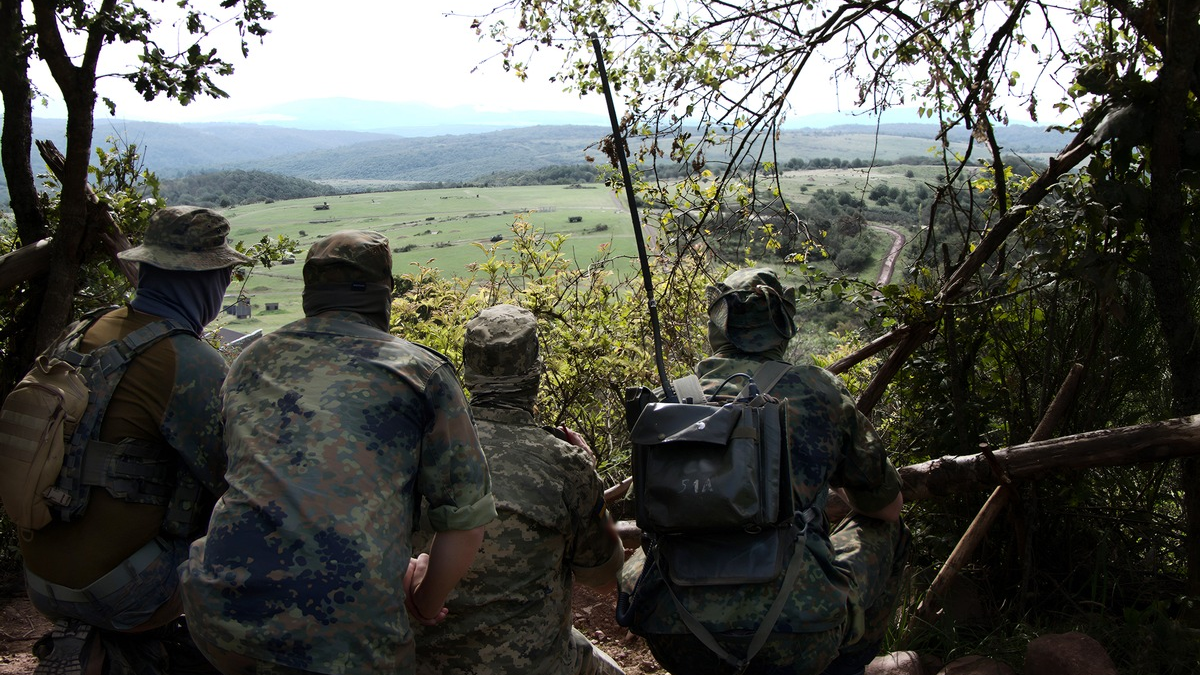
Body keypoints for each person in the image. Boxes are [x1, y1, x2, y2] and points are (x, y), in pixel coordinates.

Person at [179, 230, 496, 675]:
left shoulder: (251, 360)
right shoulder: (419, 372)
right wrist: (423, 603)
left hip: (220, 616)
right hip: (348, 638)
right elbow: (465, 526)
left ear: (311, 294)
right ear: (384, 295)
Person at [620, 267, 909, 675]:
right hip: (799, 630)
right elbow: (887, 507)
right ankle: (847, 665)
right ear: (782, 328)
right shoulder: (818, 390)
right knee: (890, 530)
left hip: (674, 628)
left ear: (717, 326)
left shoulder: (669, 400)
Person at [21, 205, 250, 675]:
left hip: (40, 578)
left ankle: (96, 644)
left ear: (145, 268)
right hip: (123, 591)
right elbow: (237, 480)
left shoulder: (81, 330)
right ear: (209, 278)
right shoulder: (190, 362)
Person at [412, 304, 626, 675]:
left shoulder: (419, 448)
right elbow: (603, 576)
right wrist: (588, 479)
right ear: (535, 376)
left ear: (469, 374)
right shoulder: (565, 463)